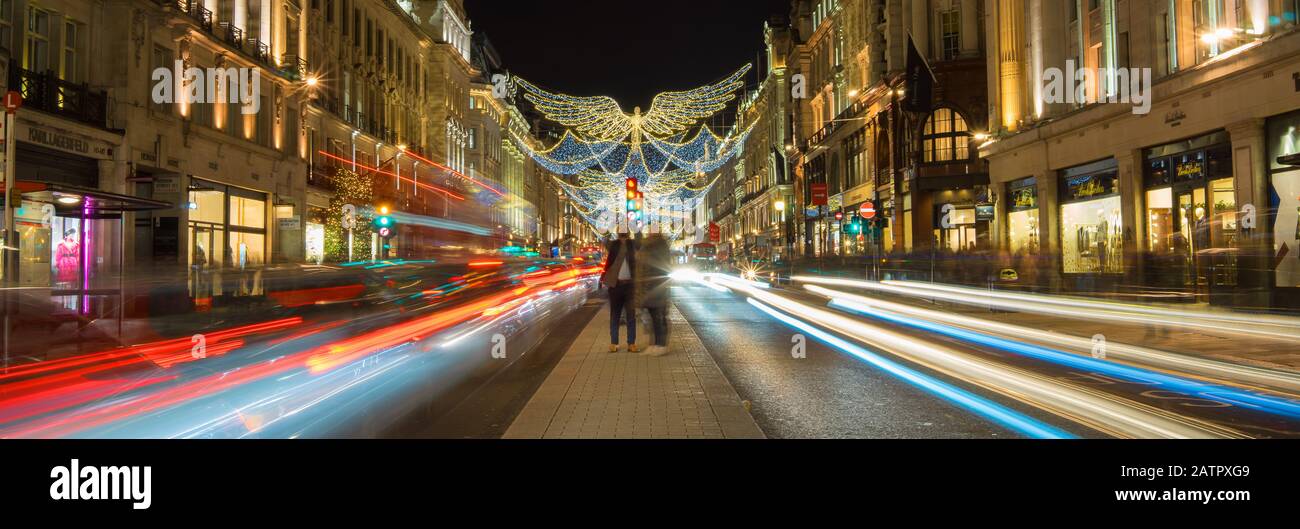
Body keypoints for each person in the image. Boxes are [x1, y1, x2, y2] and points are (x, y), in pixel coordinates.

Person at [602, 231, 639, 352]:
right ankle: (614, 343)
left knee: (631, 316)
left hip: (629, 285)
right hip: (615, 285)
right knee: (615, 316)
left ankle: (631, 343)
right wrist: (606, 229)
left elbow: (640, 242)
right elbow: (605, 240)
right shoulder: (613, 245)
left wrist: (636, 228)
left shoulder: (632, 244)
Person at [636, 232, 672, 356]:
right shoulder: (655, 247)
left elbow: (650, 267)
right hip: (653, 285)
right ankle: (655, 344)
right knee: (654, 317)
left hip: (655, 285)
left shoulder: (655, 248)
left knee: (657, 317)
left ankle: (660, 345)